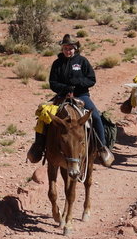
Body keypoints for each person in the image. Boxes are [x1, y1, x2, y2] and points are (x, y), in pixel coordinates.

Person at [27, 34, 114, 167]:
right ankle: (38, 147)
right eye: (65, 48)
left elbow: (91, 79)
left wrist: (77, 83)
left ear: (75, 48)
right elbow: (52, 83)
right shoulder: (57, 63)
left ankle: (102, 148)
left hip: (81, 96)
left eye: (71, 48)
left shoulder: (82, 61)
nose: (68, 51)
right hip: (62, 96)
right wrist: (65, 88)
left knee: (95, 116)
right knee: (43, 115)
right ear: (62, 49)